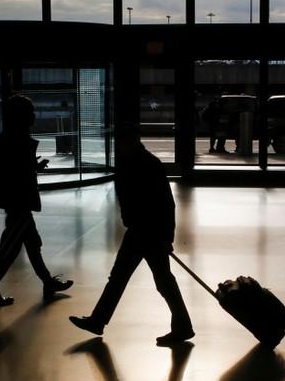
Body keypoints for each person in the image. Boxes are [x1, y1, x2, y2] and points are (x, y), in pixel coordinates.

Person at [69, 123, 194, 346]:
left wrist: (166, 237)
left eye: (121, 142)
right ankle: (182, 326)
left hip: (147, 233)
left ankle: (99, 320)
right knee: (154, 280)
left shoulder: (145, 165)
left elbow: (166, 204)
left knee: (135, 279)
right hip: (142, 231)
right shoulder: (139, 163)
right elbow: (162, 203)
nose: (119, 146)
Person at [0, 95, 73, 304]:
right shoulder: (14, 139)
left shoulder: (8, 138)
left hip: (17, 201)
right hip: (19, 202)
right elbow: (15, 172)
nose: (33, 116)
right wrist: (31, 167)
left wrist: (32, 167)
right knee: (10, 250)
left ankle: (47, 281)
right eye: (30, 112)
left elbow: (11, 171)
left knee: (30, 244)